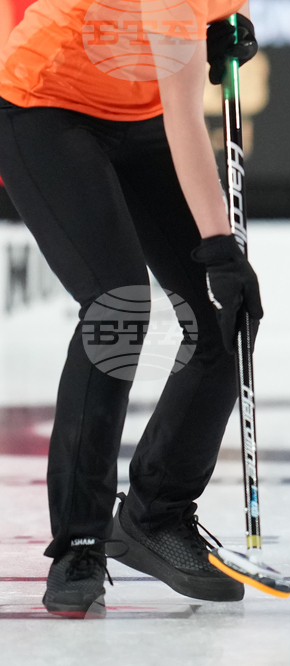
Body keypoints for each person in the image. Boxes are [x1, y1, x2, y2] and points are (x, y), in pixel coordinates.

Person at [0, 2, 262, 617]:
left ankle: (155, 515)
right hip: (44, 105)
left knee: (222, 317)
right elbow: (185, 118)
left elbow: (200, 45)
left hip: (140, 115)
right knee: (116, 306)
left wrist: (225, 30)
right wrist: (220, 248)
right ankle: (79, 542)